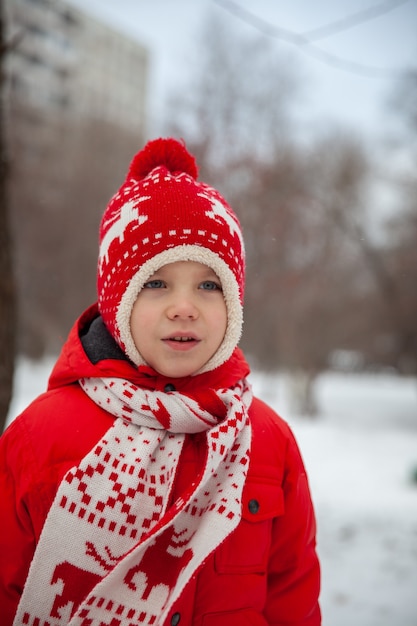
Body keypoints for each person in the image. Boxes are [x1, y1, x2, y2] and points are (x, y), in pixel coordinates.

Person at [0, 137, 321, 625]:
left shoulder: (268, 443)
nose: (184, 306)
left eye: (209, 285)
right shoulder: (38, 438)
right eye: (156, 283)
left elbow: (292, 596)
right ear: (117, 300)